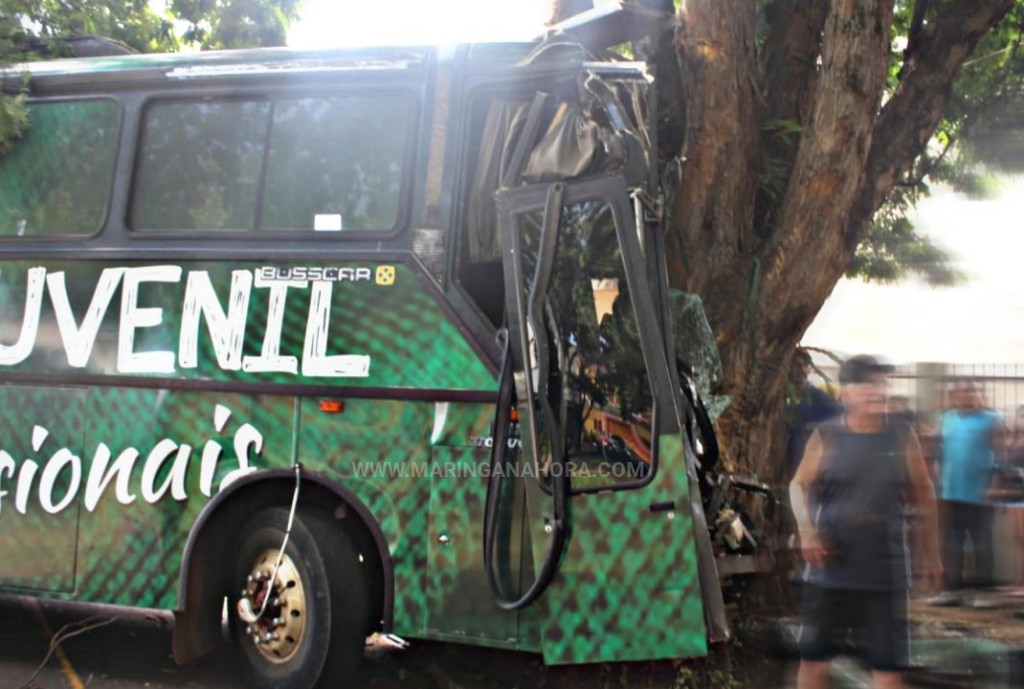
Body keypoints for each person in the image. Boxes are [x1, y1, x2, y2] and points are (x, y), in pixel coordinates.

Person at [790, 355, 941, 689]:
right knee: (814, 661)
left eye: (882, 384)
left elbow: (925, 492)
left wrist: (932, 554)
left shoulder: (903, 437)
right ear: (846, 392)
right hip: (829, 572)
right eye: (868, 384)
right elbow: (797, 485)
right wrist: (806, 530)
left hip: (883, 574)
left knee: (887, 669)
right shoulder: (827, 436)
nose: (878, 391)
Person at [928, 378, 1006, 607]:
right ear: (954, 395)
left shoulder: (992, 420)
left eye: (973, 391)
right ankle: (952, 591)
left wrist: (995, 485)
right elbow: (938, 452)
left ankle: (983, 594)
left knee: (982, 544)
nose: (969, 395)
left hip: (980, 494)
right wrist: (936, 481)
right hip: (950, 492)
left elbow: (1001, 455)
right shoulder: (946, 418)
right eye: (963, 392)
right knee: (951, 543)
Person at [785, 348, 842, 480]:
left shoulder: (817, 397)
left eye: (805, 365)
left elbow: (844, 414)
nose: (801, 369)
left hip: (804, 471)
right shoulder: (777, 397)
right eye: (796, 364)